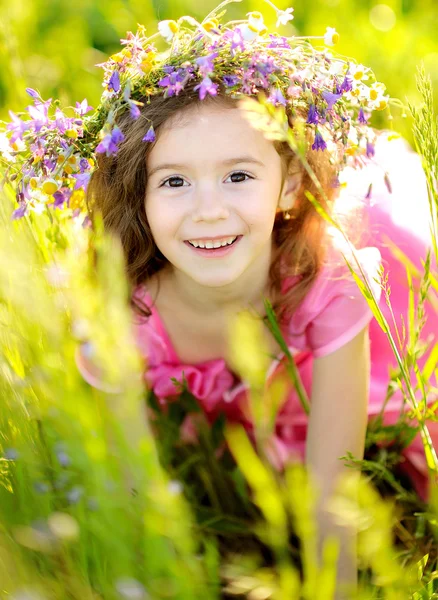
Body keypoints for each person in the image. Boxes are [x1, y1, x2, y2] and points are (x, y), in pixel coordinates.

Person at [4, 2, 437, 596]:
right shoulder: (121, 314)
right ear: (139, 197)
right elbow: (137, 498)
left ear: (286, 184)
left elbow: (334, 496)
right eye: (175, 181)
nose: (208, 209)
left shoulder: (329, 283)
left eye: (238, 175)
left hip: (322, 399)